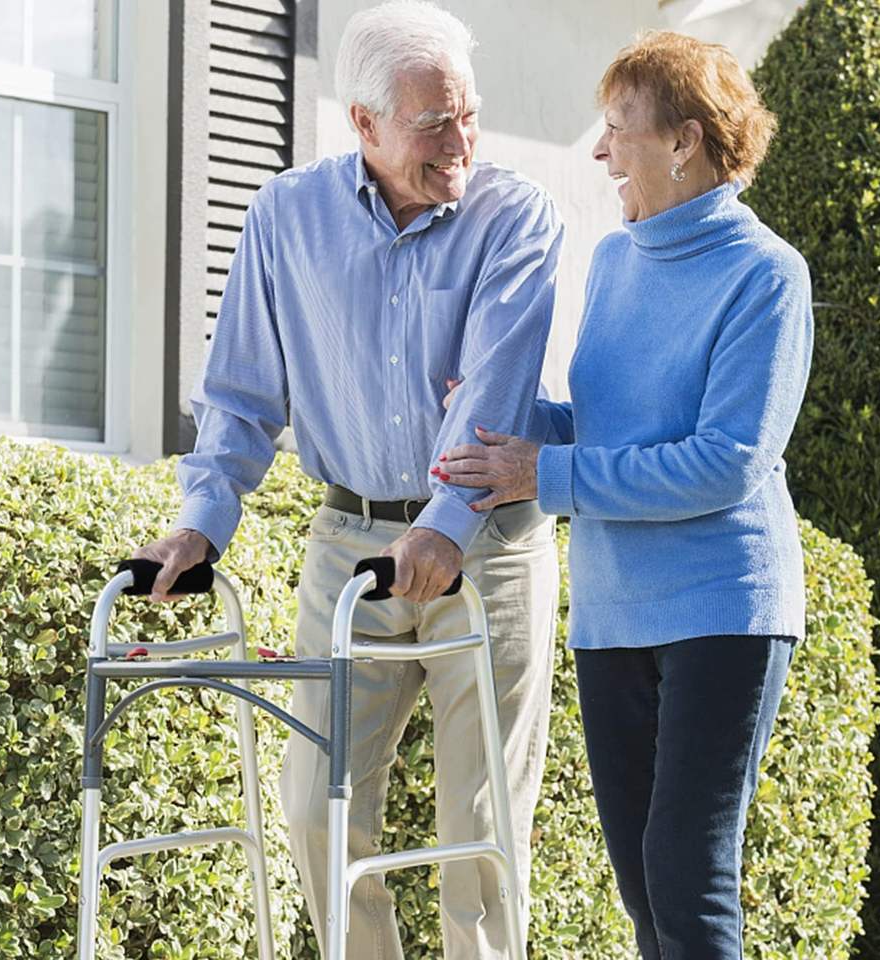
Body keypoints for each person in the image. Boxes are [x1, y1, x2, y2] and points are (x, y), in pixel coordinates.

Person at [132, 3, 564, 958]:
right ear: (364, 122)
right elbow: (239, 395)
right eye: (432, 123)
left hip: (486, 545)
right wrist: (201, 524)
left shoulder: (515, 216)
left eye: (468, 115)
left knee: (479, 830)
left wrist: (445, 526)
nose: (459, 143)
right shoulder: (286, 218)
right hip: (352, 543)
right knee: (317, 806)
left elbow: (491, 392)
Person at [436, 31, 813, 959]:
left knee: (686, 871)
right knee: (644, 885)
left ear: (684, 141)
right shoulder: (613, 261)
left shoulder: (766, 275)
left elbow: (727, 460)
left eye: (617, 128)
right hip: (613, 612)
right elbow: (605, 425)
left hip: (723, 606)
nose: (600, 151)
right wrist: (506, 416)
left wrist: (547, 474)